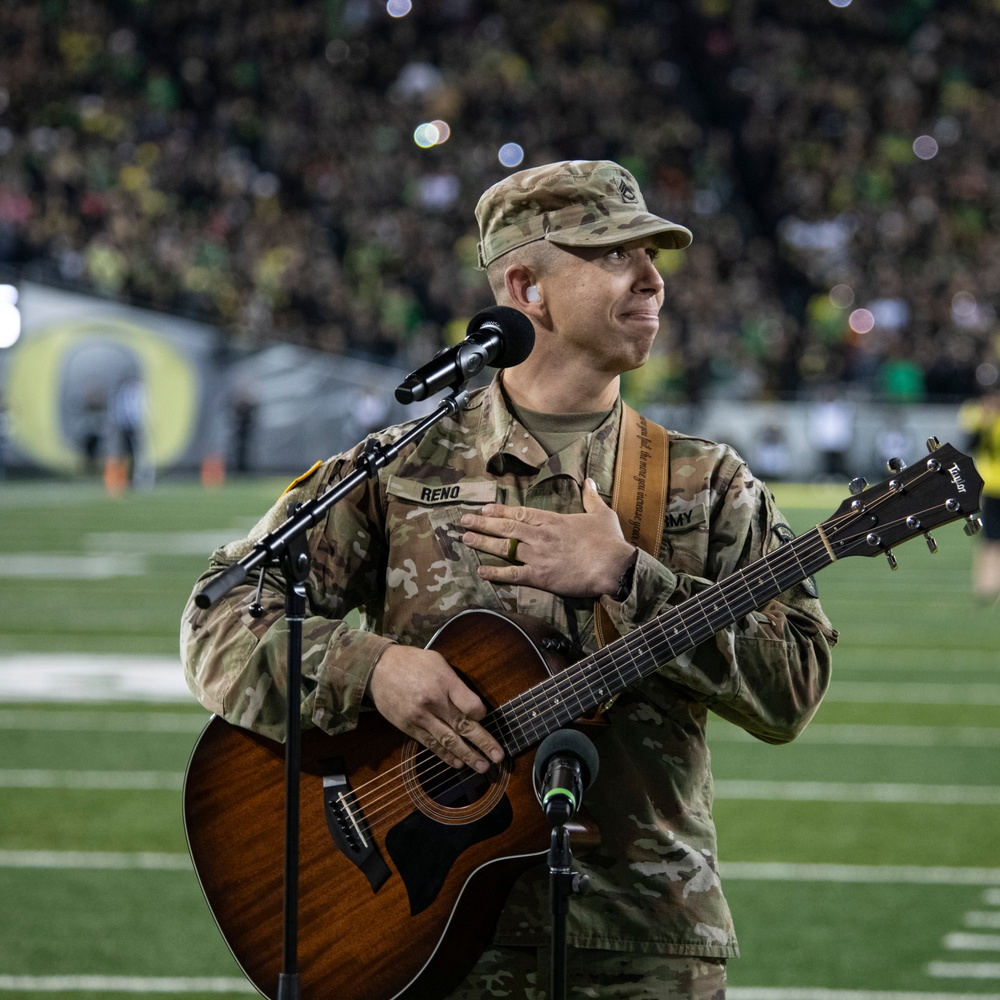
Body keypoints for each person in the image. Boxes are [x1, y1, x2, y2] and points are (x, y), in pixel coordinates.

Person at [181, 159, 838, 1000]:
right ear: (524, 287)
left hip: (643, 943)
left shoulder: (704, 482)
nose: (651, 280)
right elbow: (219, 617)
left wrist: (630, 578)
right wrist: (371, 670)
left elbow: (794, 689)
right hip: (423, 940)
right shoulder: (399, 467)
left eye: (652, 256)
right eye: (611, 256)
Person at [958, 388, 1000, 602]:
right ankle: (986, 585)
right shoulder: (978, 415)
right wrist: (985, 423)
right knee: (990, 537)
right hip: (992, 484)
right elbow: (968, 446)